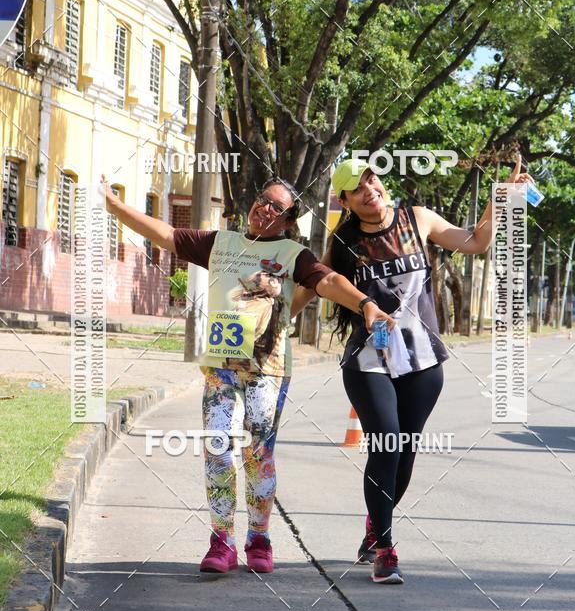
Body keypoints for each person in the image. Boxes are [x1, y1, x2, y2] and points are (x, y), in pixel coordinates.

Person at [101, 175, 394, 575]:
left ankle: (259, 538)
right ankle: (221, 541)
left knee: (257, 453)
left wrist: (365, 305)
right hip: (222, 369)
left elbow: (327, 281)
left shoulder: (294, 254)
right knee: (219, 448)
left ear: (289, 220)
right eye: (262, 199)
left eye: (277, 207)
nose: (265, 209)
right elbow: (167, 235)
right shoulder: (220, 244)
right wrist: (116, 207)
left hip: (267, 371)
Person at [292, 155, 532, 584]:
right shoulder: (343, 242)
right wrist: (269, 321)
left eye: (372, 180)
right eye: (357, 188)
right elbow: (315, 283)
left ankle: (373, 525)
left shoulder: (416, 219)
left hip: (422, 360)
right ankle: (385, 547)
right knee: (385, 444)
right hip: (369, 361)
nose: (370, 190)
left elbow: (476, 242)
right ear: (345, 201)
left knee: (403, 452)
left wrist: (502, 199)